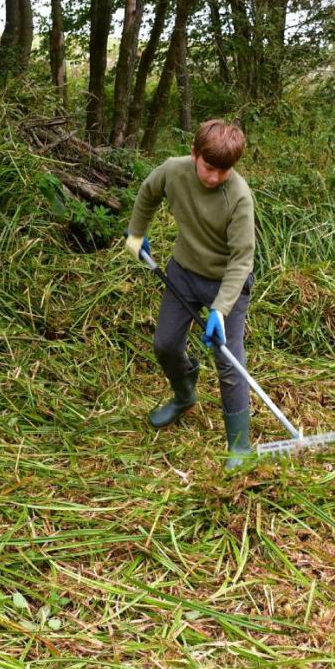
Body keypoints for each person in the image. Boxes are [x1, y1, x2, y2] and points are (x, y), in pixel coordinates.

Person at [123, 119, 256, 470]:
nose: (214, 177)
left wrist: (220, 310)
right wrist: (136, 234)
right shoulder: (173, 171)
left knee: (229, 361)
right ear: (195, 154)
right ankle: (184, 395)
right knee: (165, 345)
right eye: (209, 167)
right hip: (183, 272)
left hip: (226, 282)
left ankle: (239, 446)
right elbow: (148, 193)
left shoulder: (239, 197)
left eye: (223, 170)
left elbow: (242, 260)